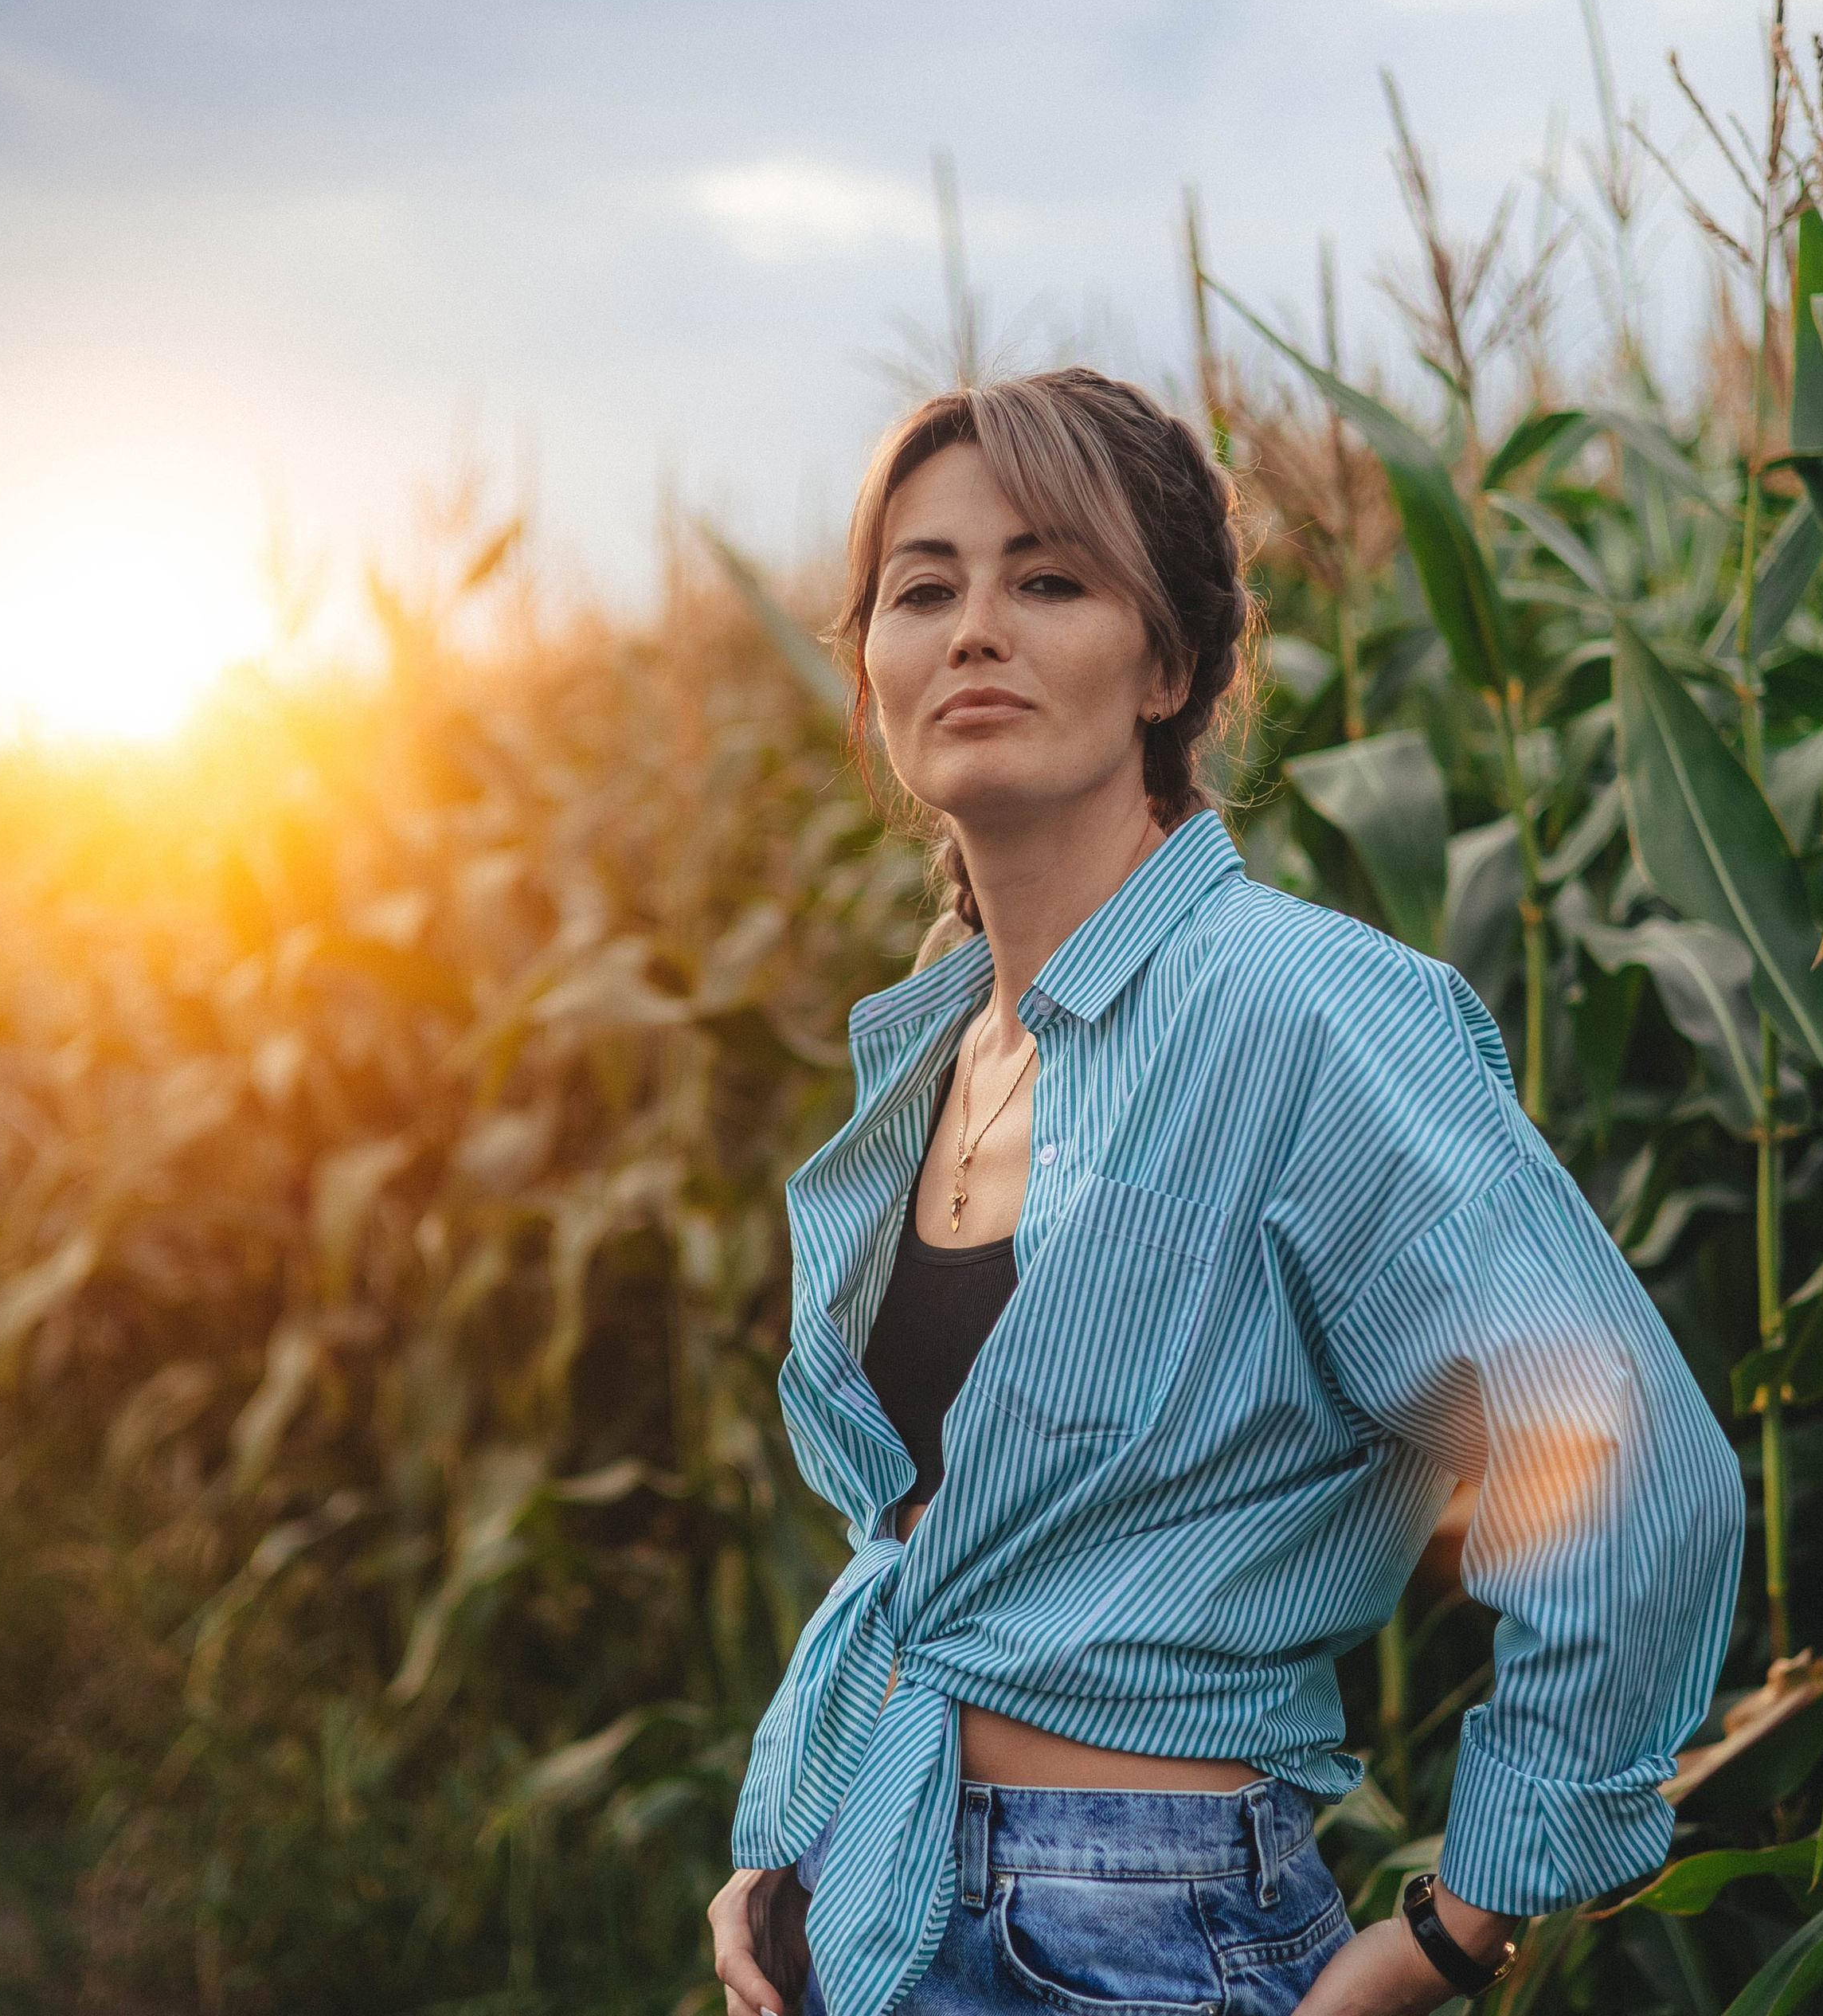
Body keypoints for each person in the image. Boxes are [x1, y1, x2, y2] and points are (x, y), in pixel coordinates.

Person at [706, 367, 1743, 2016]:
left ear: (1169, 665)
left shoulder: (1301, 1010)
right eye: (923, 586)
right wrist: (789, 1849)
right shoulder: (934, 1052)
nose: (972, 625)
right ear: (870, 669)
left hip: (1136, 1934)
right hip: (870, 1899)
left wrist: (1450, 1929)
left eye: (1046, 578)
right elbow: (939, 1553)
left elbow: (1636, 1472)